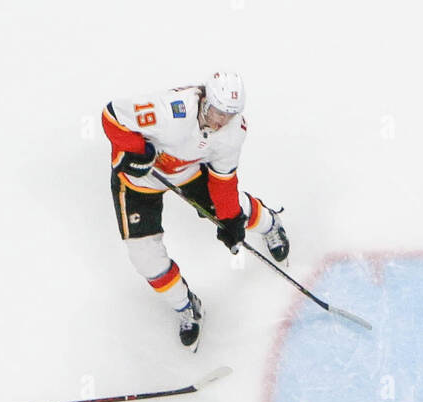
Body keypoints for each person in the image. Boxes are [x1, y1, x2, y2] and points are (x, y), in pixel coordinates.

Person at [102, 71, 289, 350]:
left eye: (229, 114)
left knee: (235, 209)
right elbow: (112, 116)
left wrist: (230, 221)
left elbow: (223, 181)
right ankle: (185, 305)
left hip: (187, 172)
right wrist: (136, 150)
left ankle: (269, 223)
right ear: (204, 99)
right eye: (216, 111)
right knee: (144, 258)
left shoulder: (232, 133)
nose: (221, 121)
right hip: (138, 182)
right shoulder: (169, 111)